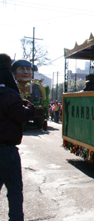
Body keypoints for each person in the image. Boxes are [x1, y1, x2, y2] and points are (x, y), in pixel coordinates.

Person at [0, 54, 35, 221]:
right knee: (14, 191)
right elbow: (21, 115)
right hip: (6, 151)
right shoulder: (8, 94)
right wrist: (29, 106)